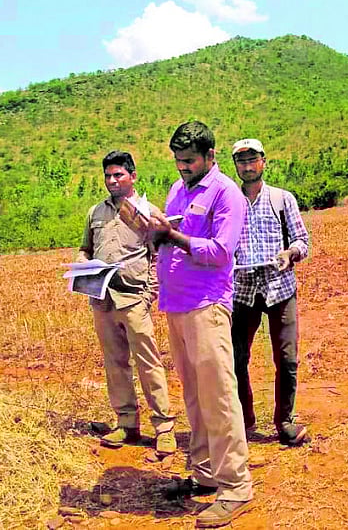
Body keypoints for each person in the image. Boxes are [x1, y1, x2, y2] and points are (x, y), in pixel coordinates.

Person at [148, 121, 253, 529]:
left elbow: (219, 251)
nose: (182, 168)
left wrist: (171, 235)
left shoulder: (226, 192)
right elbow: (170, 235)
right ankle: (206, 473)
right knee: (193, 393)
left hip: (207, 305)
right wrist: (154, 233)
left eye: (189, 161)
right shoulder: (179, 189)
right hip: (175, 304)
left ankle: (236, 486)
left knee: (219, 396)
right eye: (177, 161)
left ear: (211, 156)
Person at [78, 150, 177, 457]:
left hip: (134, 299)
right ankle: (127, 423)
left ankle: (164, 428)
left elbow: (158, 257)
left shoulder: (147, 212)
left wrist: (148, 295)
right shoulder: (96, 212)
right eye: (108, 175)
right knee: (115, 363)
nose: (112, 180)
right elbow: (85, 249)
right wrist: (80, 265)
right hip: (103, 300)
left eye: (118, 175)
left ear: (133, 177)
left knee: (149, 364)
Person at [230, 138, 311, 446]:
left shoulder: (282, 199)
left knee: (287, 358)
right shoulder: (229, 202)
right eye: (241, 161)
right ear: (235, 166)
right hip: (242, 290)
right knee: (236, 359)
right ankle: (244, 419)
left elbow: (302, 241)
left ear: (264, 161)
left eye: (252, 160)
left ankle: (285, 421)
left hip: (280, 288)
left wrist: (290, 254)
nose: (247, 166)